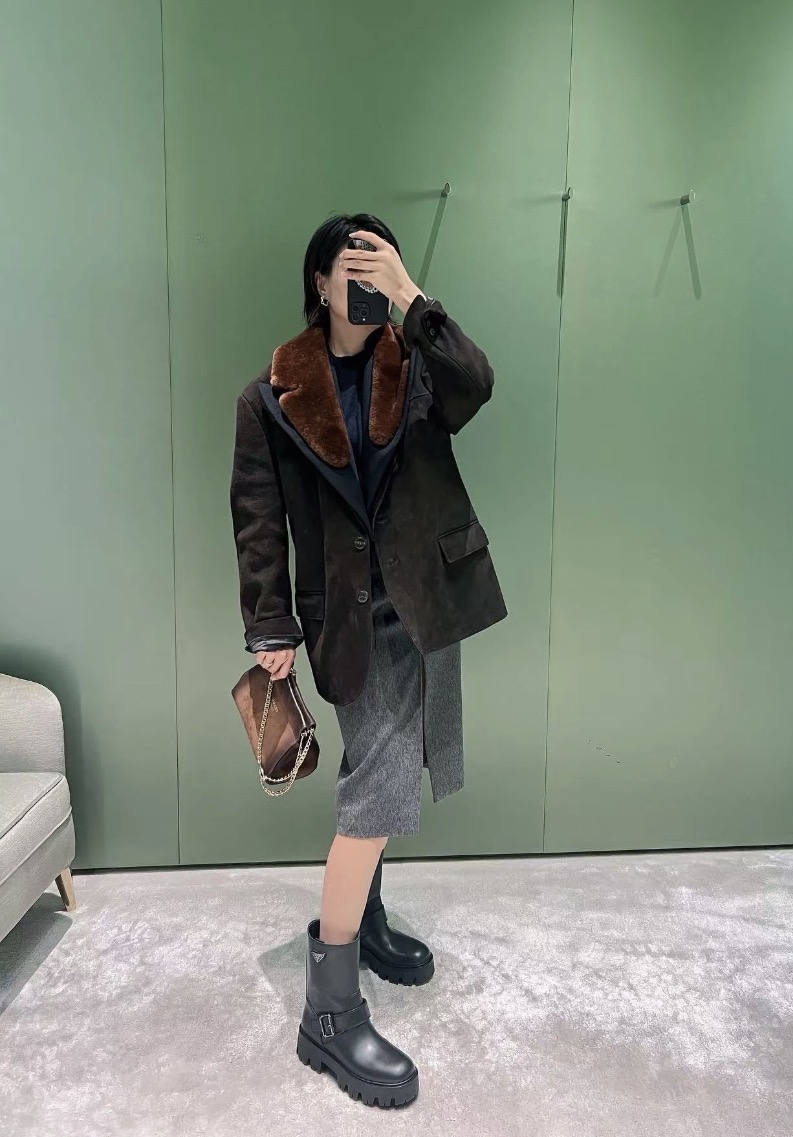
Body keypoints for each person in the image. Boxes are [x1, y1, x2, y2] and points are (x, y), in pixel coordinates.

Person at [229, 213, 507, 1107]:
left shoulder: (417, 360)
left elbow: (479, 384)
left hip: (426, 598)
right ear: (318, 282)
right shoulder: (270, 395)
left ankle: (371, 917)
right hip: (349, 616)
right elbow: (258, 522)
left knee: (394, 772)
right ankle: (330, 1010)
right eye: (349, 269)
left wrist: (412, 297)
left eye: (376, 266)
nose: (362, 283)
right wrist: (269, 625)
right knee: (374, 793)